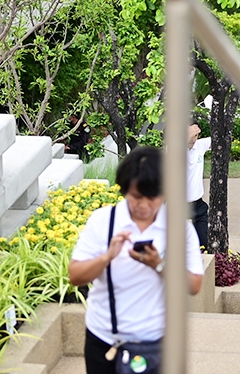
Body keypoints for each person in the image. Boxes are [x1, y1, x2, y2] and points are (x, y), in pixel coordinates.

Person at [68, 146, 204, 374]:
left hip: (159, 342)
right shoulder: (103, 221)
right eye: (136, 197)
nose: (143, 206)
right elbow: (75, 275)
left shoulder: (178, 228)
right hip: (105, 339)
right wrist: (107, 256)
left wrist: (159, 264)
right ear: (124, 190)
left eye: (152, 198)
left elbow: (194, 285)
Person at [186, 124, 212, 251]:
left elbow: (221, 137)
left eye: (196, 135)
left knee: (204, 243)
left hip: (198, 205)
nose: (193, 139)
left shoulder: (199, 146)